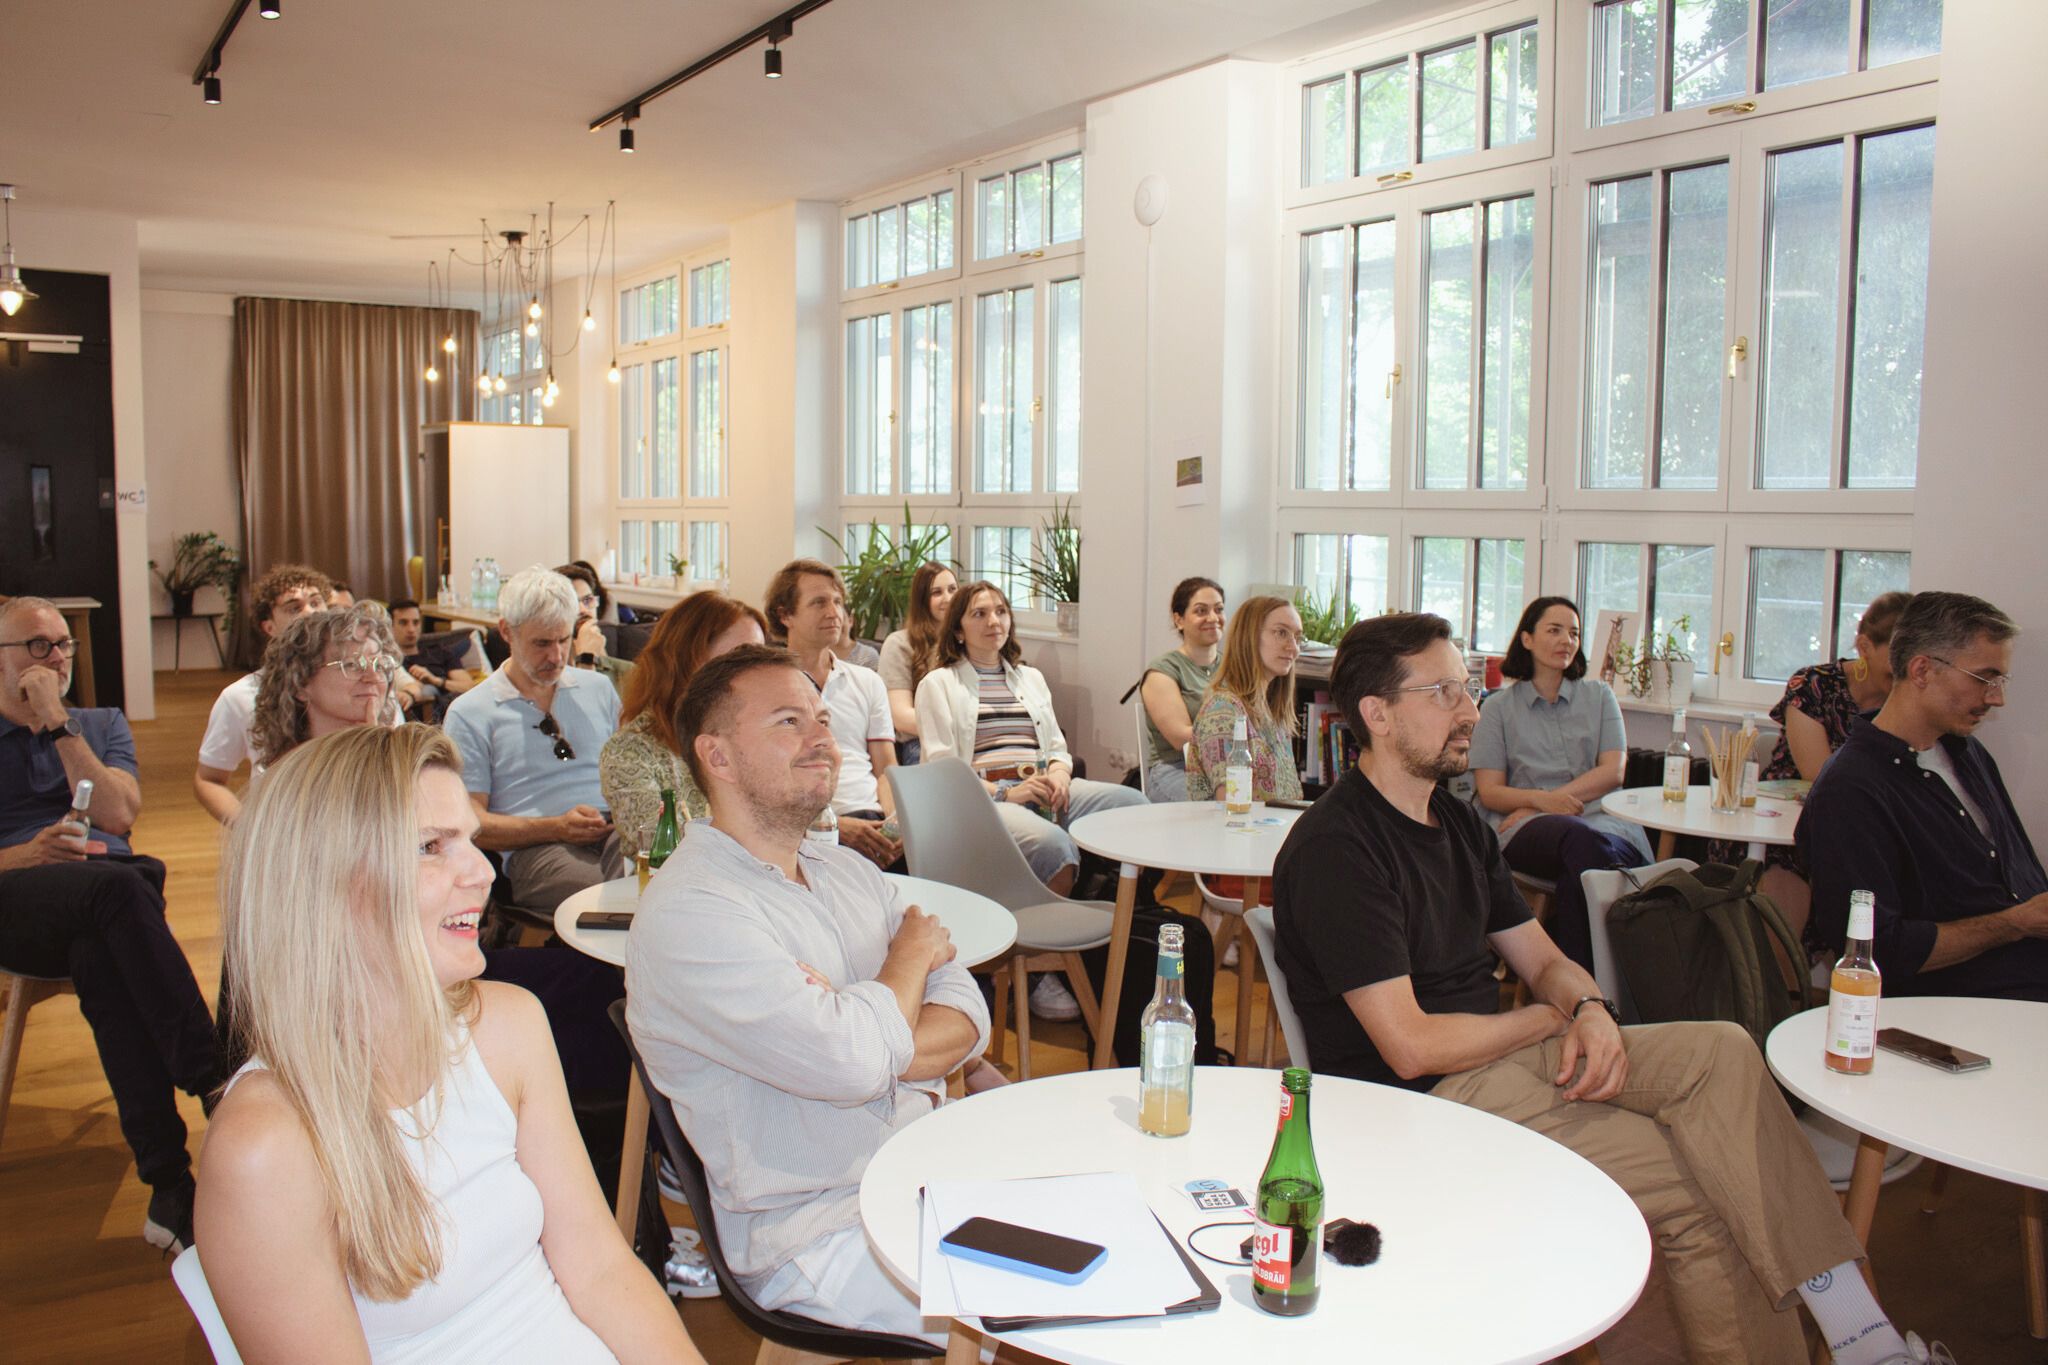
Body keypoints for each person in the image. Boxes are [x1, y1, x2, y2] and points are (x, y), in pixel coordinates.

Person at [1273, 611, 1938, 1365]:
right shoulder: (1340, 847)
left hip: (1494, 1061)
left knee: (1722, 1049)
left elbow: (1543, 958)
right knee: (1693, 1188)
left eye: (1468, 689)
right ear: (1377, 713)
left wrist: (1584, 1005)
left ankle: (1854, 1326)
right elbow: (1410, 1045)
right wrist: (1547, 1021)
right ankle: (1856, 1336)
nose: (1470, 709)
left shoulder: (1454, 824)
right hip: (1421, 1099)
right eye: (1445, 692)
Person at [196, 724, 702, 1363]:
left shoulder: (509, 1026)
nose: (482, 872)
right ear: (324, 884)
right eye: (431, 846)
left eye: (469, 838)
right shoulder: (268, 1146)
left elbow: (601, 1267)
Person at [627, 645, 987, 1341]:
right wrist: (908, 958)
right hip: (817, 1230)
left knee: (1119, 1244)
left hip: (922, 1171)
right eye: (789, 721)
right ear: (718, 756)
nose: (823, 738)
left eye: (822, 717)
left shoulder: (844, 869)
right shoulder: (691, 912)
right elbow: (854, 1061)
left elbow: (968, 1009)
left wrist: (869, 1025)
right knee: (1055, 1317)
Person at [0, 595, 222, 1253]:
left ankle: (170, 1186)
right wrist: (28, 854)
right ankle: (212, 1075)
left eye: (63, 643)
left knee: (104, 944)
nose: (56, 657)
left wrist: (58, 724)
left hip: (107, 907)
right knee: (131, 882)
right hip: (18, 901)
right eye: (37, 646)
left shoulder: (96, 723)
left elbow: (120, 814)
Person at [1801, 591, 2047, 1001]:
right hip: (1961, 1002)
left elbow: (2021, 880)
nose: (1996, 698)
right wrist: (2016, 923)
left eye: (2000, 681)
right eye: (1985, 679)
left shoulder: (1965, 753)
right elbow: (1876, 951)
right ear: (1921, 670)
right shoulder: (1850, 790)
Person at [914, 580, 1148, 897]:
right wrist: (1006, 794)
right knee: (1054, 846)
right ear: (958, 631)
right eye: (979, 614)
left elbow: (1056, 747)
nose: (994, 621)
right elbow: (943, 770)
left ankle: (1112, 909)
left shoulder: (1031, 678)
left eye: (1000, 611)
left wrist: (1059, 776)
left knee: (1135, 807)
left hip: (1044, 787)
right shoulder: (939, 684)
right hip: (985, 797)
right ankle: (1045, 938)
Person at [1470, 596, 1649, 972]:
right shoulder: (1498, 708)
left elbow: (1613, 772)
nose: (1566, 640)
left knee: (1582, 870)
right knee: (1580, 843)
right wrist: (1540, 807)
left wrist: (1540, 801)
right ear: (1527, 639)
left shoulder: (1600, 697)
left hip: (1602, 822)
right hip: (1527, 832)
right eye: (1554, 630)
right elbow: (1489, 792)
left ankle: (1578, 989)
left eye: (1574, 633)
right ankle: (1604, 985)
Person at [1726, 591, 1912, 940]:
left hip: (1862, 821)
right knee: (1797, 865)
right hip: (1784, 824)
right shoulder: (1813, 686)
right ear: (1865, 645)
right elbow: (1822, 777)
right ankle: (1781, 987)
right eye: (1896, 658)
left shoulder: (1904, 699)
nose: (1904, 673)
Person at [444, 567, 623, 910]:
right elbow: (469, 822)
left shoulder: (598, 688)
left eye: (564, 640)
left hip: (614, 831)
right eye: (541, 643)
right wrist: (556, 828)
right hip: (536, 851)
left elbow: (628, 774)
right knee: (614, 900)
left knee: (663, 882)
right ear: (506, 632)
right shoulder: (471, 713)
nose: (556, 656)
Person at [600, 592, 769, 859]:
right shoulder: (630, 751)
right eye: (740, 657)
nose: (756, 672)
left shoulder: (761, 736)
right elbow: (663, 853)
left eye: (759, 657)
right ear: (688, 659)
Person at [764, 559, 903, 870]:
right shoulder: (767, 685)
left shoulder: (868, 681)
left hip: (874, 819)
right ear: (785, 615)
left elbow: (886, 769)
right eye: (819, 603)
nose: (834, 612)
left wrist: (895, 823)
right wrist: (834, 825)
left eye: (838, 602)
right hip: (803, 827)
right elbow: (766, 783)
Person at [193, 563, 331, 825]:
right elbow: (208, 779)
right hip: (282, 832)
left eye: (316, 602)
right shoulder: (241, 696)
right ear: (269, 627)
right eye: (294, 607)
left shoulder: (366, 684)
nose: (310, 613)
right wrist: (250, 830)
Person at [249, 606, 403, 769]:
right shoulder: (289, 774)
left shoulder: (405, 760)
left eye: (379, 665)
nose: (373, 678)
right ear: (300, 684)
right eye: (352, 665)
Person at [1187, 593, 1301, 802]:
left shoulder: (1273, 715)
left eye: (1297, 637)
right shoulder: (1222, 710)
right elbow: (1233, 807)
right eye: (1281, 633)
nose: (1293, 648)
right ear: (1249, 637)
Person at [1139, 577, 1225, 800]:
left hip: (1227, 768)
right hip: (1176, 769)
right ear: (1179, 620)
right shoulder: (1162, 672)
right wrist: (1237, 732)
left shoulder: (1233, 668)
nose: (1213, 618)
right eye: (1201, 611)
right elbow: (1180, 736)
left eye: (1219, 609)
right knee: (1217, 810)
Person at [876, 562, 957, 765]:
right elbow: (901, 717)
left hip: (972, 741)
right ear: (922, 600)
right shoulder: (899, 644)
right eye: (936, 592)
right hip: (921, 743)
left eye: (952, 589)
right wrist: (961, 728)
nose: (948, 598)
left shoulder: (968, 640)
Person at [390, 596, 475, 723]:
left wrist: (436, 681)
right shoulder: (391, 662)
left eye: (416, 622)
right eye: (403, 623)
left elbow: (469, 687)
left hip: (458, 710)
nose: (411, 629)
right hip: (423, 721)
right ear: (390, 626)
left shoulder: (438, 652)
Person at [555, 563, 619, 686]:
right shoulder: (546, 668)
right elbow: (581, 703)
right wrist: (586, 660)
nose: (583, 610)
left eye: (588, 600)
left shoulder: (626, 670)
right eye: (572, 603)